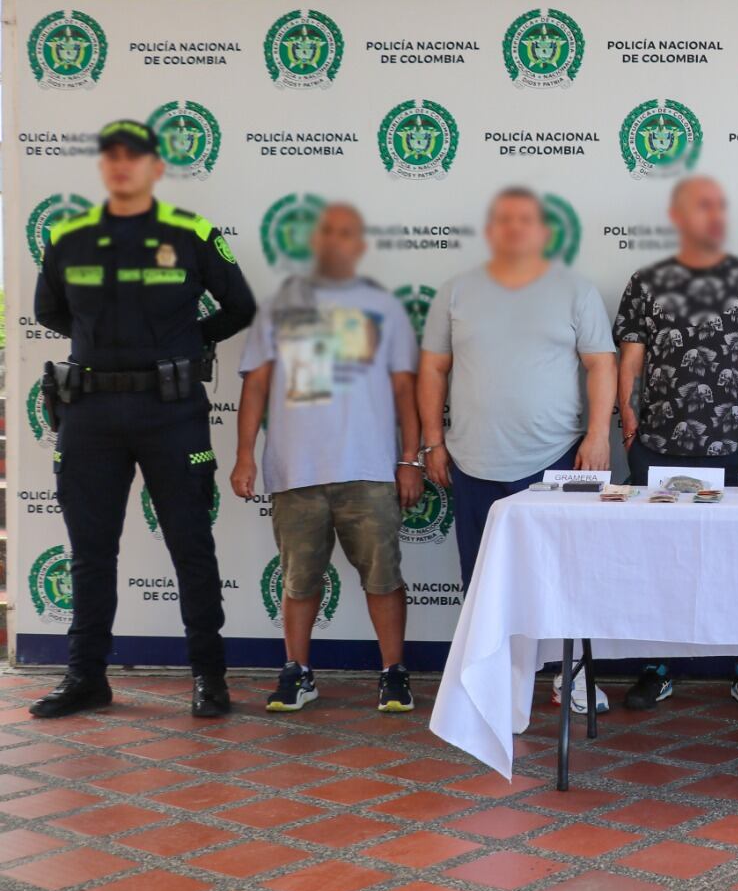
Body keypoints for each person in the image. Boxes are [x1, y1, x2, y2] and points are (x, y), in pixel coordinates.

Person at [30, 119, 256, 719]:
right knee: (90, 551)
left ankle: (210, 676)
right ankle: (86, 677)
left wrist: (185, 344)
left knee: (190, 544)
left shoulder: (192, 233)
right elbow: (47, 310)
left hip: (170, 411)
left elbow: (240, 306)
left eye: (136, 157)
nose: (122, 167)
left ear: (156, 168)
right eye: (112, 158)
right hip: (90, 414)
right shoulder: (68, 236)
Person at [417, 187, 618, 712]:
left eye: (525, 220)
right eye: (504, 219)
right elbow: (433, 369)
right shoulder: (456, 291)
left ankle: (567, 677)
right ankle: (494, 686)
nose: (514, 228)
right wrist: (432, 443)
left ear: (545, 232)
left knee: (563, 578)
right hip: (471, 461)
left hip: (558, 460)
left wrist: (598, 435)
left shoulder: (575, 290)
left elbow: (601, 363)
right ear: (491, 230)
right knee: (481, 582)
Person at [230, 203, 422, 714]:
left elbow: (407, 390)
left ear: (360, 246)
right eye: (327, 233)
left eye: (347, 234)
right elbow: (255, 388)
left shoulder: (385, 308)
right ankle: (298, 672)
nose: (336, 242)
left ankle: (394, 674)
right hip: (297, 472)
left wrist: (410, 460)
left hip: (371, 471)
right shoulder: (278, 306)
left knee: (384, 579)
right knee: (298, 582)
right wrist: (244, 456)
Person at [614, 177, 738, 713]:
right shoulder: (646, 281)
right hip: (661, 445)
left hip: (737, 445)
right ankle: (656, 666)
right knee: (659, 562)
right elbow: (632, 355)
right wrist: (626, 413)